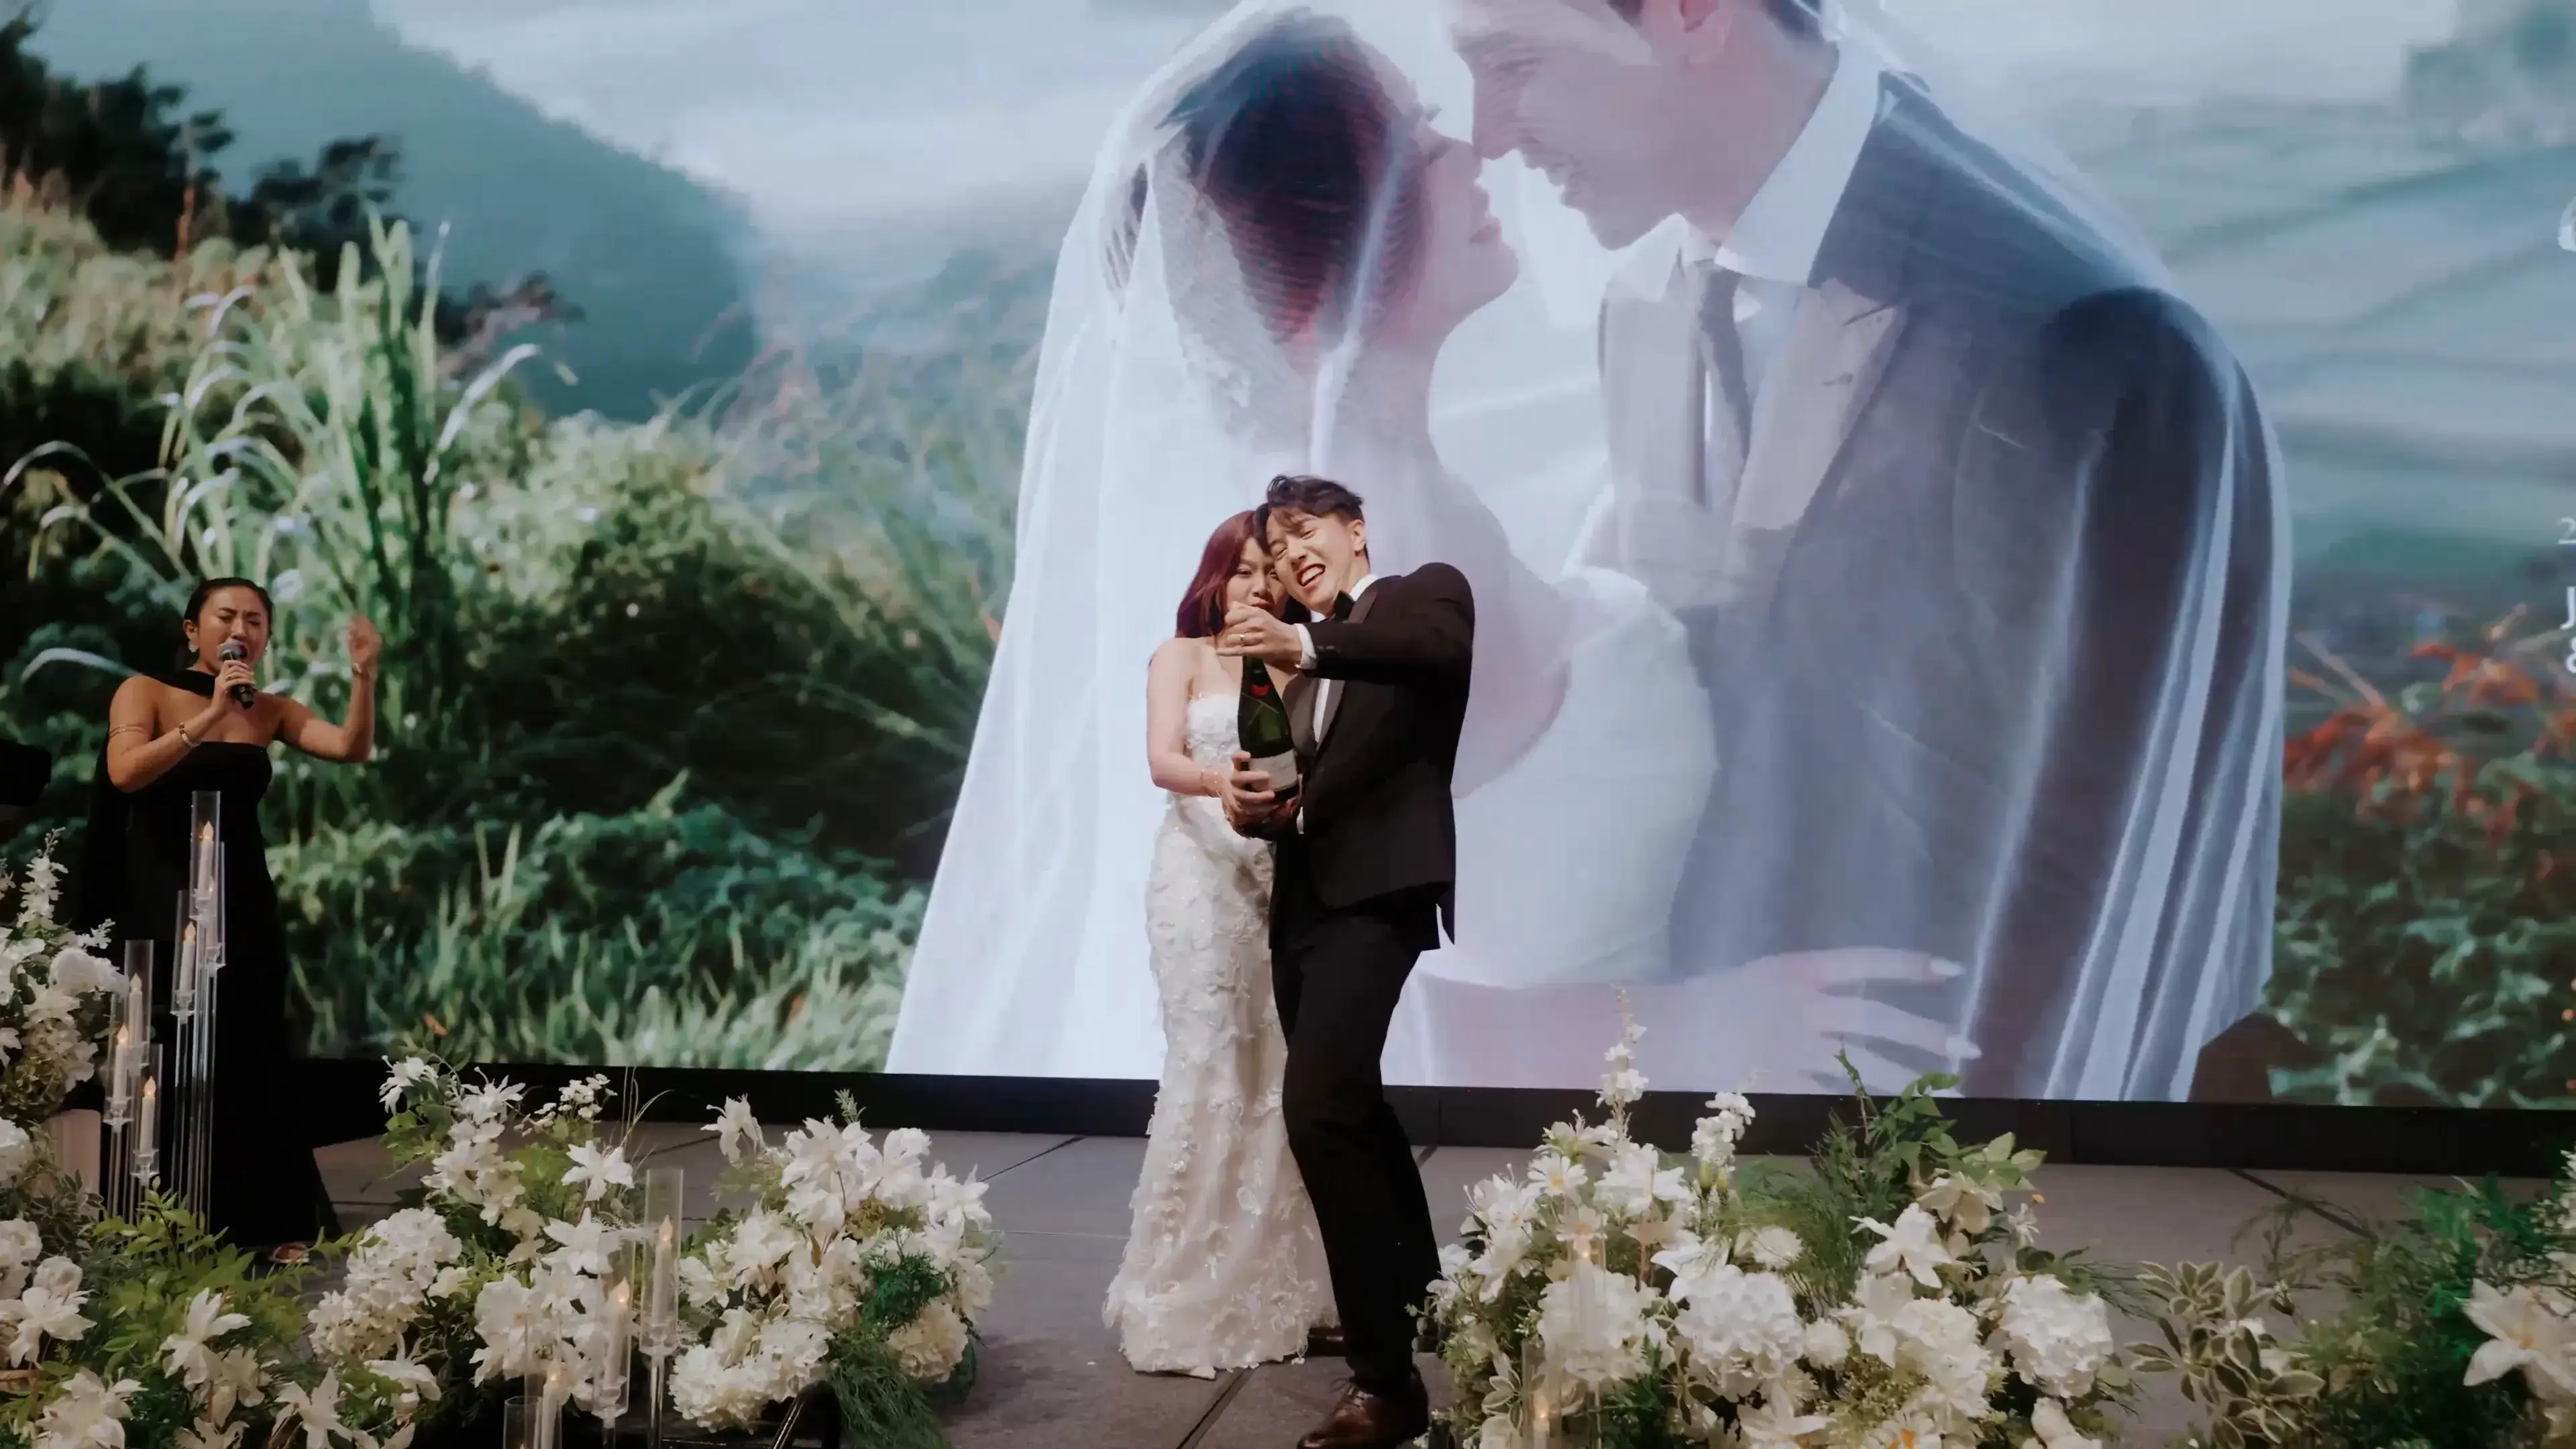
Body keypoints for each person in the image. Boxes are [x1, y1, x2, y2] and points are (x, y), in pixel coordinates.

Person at [1418, 0, 2289, 1098]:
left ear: (1693, 13)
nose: (1491, 134)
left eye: (1517, 63)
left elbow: (2111, 863)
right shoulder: (1644, 300)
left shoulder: (2080, 342)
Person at [889, 0, 1717, 1083]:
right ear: (1327, 258)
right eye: (1419, 144)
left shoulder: (1392, 496)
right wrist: (1700, 1026)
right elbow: (1271, 1000)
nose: (1474, 149)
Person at [1218, 475, 1464, 1449]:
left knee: (1317, 1111)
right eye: (1276, 550)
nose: (1290, 557)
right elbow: (1292, 794)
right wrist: (1257, 807)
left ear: (1357, 529)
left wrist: (1306, 639)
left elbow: (1435, 653)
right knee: (1353, 1108)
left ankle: (1385, 1383)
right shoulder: (1306, 682)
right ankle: (1420, 1296)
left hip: (1379, 899)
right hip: (1305, 906)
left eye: (1305, 532)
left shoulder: (1423, 595)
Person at [72, 578, 379, 1255]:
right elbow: (126, 772)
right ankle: (155, 1220)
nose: (242, 628)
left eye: (256, 620)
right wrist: (208, 718)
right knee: (165, 1050)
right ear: (193, 630)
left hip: (240, 896)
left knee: (249, 1049)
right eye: (226, 616)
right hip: (160, 895)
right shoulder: (145, 692)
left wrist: (364, 675)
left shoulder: (268, 709)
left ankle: (264, 1222)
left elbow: (349, 746)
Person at [1102, 511, 1338, 1376]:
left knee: (1277, 1073)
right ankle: (1182, 1276)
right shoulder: (1182, 656)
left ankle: (1279, 1285)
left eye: (1269, 574)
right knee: (1207, 1059)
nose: (1256, 587)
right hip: (1199, 875)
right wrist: (1224, 786)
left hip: (1277, 877)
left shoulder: (1293, 660)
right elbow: (1163, 761)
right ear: (1215, 576)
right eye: (1242, 571)